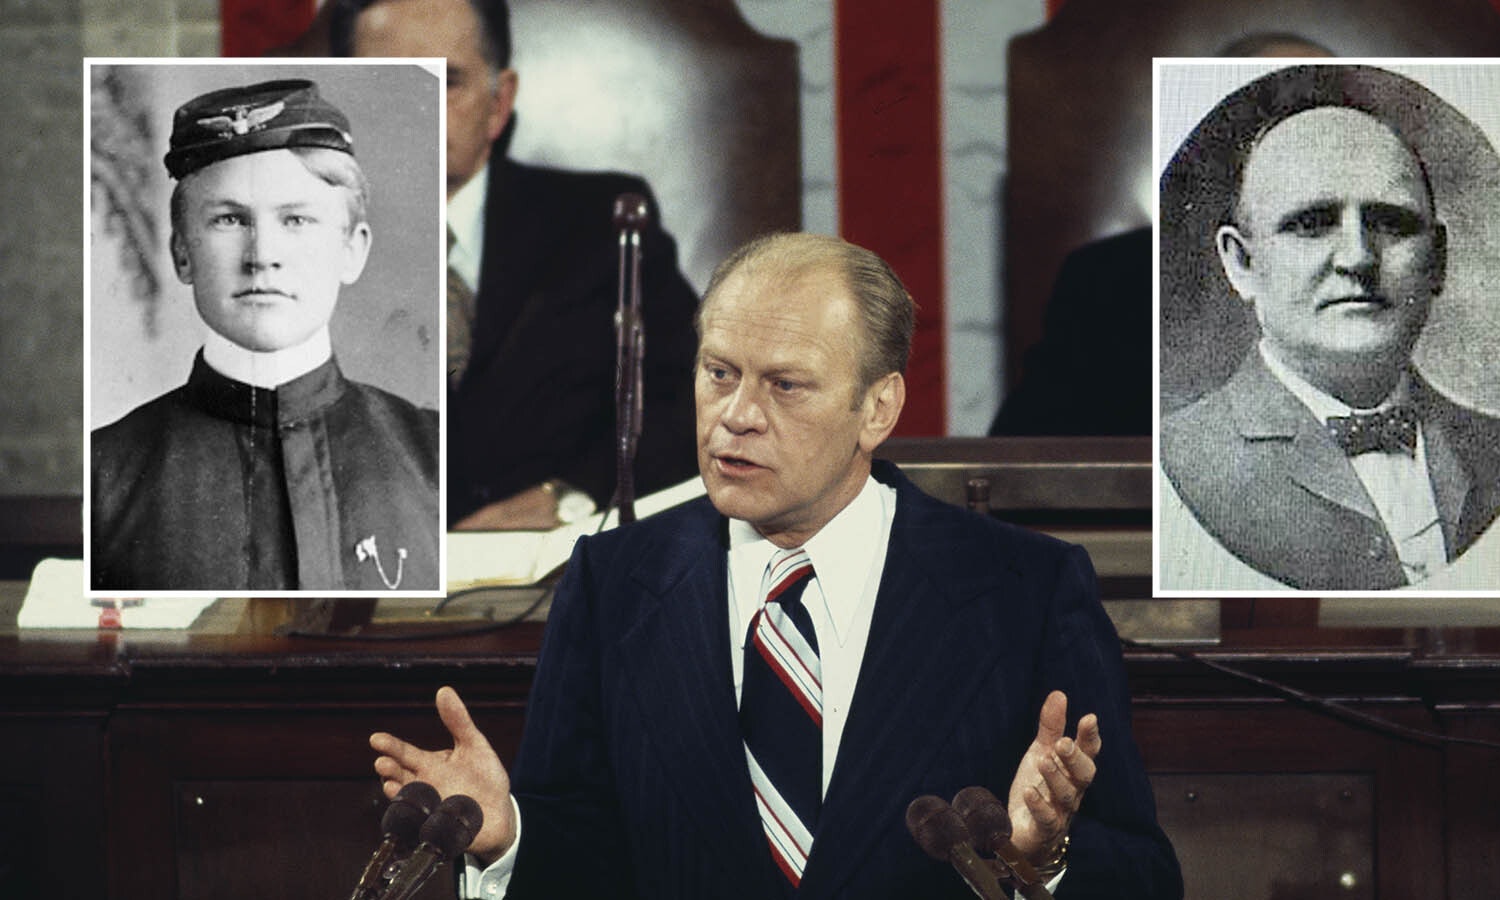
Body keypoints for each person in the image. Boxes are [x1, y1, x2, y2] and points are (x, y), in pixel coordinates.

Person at [368, 233, 1181, 898]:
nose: (737, 416)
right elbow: (588, 864)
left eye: (786, 386)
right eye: (719, 374)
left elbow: (1146, 882)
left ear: (878, 408)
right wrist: (510, 838)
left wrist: (1046, 854)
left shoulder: (1024, 590)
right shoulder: (614, 581)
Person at [329, 0, 702, 530]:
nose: (417, 108)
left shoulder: (605, 223)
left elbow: (695, 400)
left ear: (498, 102)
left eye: (447, 82)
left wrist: (570, 497)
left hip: (566, 577)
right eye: (388, 82)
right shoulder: (294, 243)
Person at [1159, 65, 1500, 591]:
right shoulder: (1176, 461)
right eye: (1311, 223)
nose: (1358, 257)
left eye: (1392, 222)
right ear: (1242, 264)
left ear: (1437, 261)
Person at [90, 77, 439, 592]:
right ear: (182, 254)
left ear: (352, 250)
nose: (262, 255)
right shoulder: (106, 475)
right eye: (230, 219)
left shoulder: (435, 452)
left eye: (296, 219)